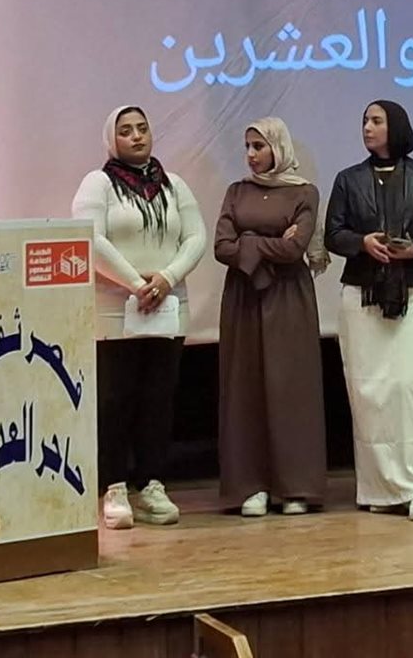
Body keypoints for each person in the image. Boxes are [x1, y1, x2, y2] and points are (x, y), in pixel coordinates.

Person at [72, 106, 208, 529]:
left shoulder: (173, 184)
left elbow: (196, 236)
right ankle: (113, 487)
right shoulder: (98, 184)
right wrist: (136, 284)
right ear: (111, 140)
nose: (136, 136)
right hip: (114, 310)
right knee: (115, 400)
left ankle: (151, 484)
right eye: (126, 130)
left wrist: (166, 279)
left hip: (167, 308)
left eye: (142, 129)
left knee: (158, 399)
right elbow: (91, 239)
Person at [325, 100, 413, 521]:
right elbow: (333, 233)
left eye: (376, 121)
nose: (367, 127)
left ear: (395, 126)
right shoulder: (348, 179)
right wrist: (362, 243)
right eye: (365, 120)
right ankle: (378, 489)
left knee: (408, 385)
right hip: (362, 293)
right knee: (368, 390)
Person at [214, 117, 328, 515]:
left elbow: (296, 250)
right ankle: (251, 486)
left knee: (290, 386)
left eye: (258, 146)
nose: (251, 155)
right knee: (244, 386)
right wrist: (270, 243)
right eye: (247, 146)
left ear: (278, 148)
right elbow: (222, 247)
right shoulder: (236, 191)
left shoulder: (304, 192)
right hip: (244, 296)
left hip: (289, 296)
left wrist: (248, 241)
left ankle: (295, 487)